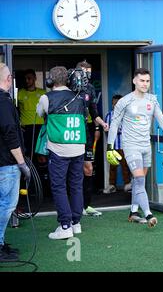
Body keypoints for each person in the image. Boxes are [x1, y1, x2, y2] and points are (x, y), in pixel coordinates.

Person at [106, 68, 163, 227]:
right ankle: (148, 214)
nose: (145, 84)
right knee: (140, 181)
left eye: (147, 81)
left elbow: (161, 121)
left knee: (138, 181)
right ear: (134, 81)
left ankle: (133, 212)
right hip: (131, 146)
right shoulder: (125, 101)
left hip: (146, 146)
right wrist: (109, 147)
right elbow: (114, 124)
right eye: (142, 80)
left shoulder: (152, 100)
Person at [37, 66, 86, 240]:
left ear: (50, 81)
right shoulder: (79, 97)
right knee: (76, 186)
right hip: (79, 148)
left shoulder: (46, 97)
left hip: (58, 150)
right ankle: (76, 223)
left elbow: (39, 113)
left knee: (59, 187)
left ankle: (65, 225)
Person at [0, 63, 31, 261]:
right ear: (7, 78)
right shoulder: (3, 102)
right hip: (7, 163)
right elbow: (10, 133)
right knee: (6, 205)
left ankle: (1, 243)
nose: (11, 80)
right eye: (10, 77)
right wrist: (22, 163)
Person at [76, 61, 109, 217]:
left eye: (89, 71)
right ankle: (74, 205)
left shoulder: (90, 88)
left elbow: (94, 112)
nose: (86, 74)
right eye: (83, 71)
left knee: (88, 168)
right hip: (70, 134)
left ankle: (86, 205)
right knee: (73, 170)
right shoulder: (70, 87)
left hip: (85, 133)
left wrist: (102, 124)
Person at [17, 69, 49, 196]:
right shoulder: (20, 93)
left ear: (35, 78)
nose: (27, 81)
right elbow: (14, 110)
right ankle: (28, 188)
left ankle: (44, 188)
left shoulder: (42, 93)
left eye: (29, 78)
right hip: (26, 130)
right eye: (25, 78)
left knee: (42, 157)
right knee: (27, 158)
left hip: (40, 128)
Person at [103, 94, 131, 194]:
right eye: (114, 103)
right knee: (113, 167)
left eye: (118, 103)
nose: (115, 105)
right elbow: (106, 130)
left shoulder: (127, 115)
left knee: (125, 165)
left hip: (124, 145)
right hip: (113, 146)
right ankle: (112, 185)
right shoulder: (109, 115)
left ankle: (128, 184)